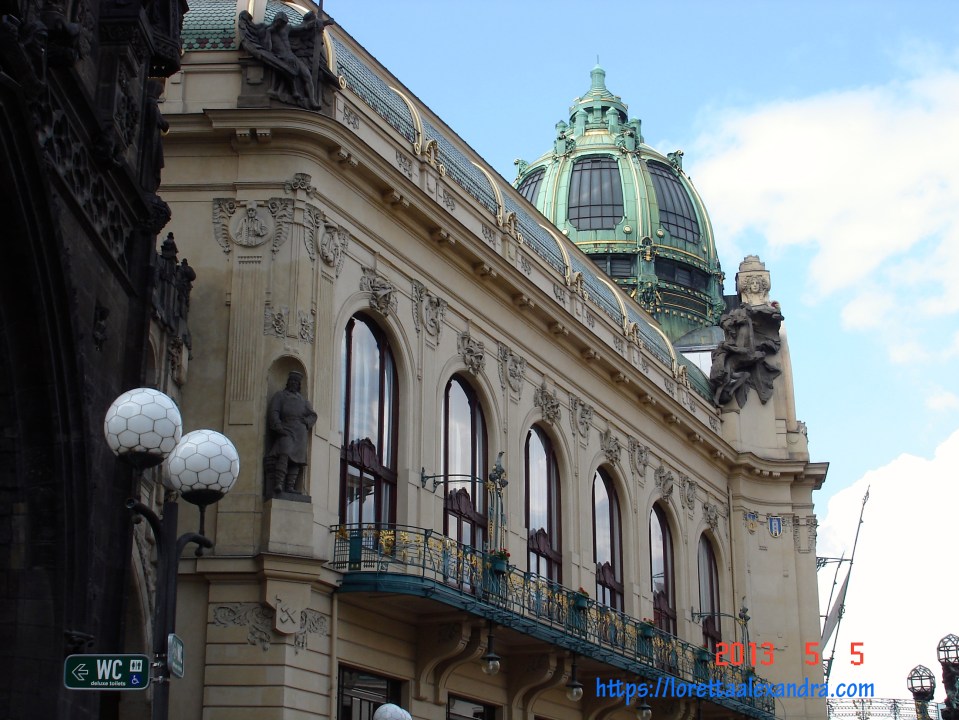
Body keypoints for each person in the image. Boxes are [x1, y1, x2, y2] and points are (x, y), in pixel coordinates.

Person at [266, 371, 317, 494]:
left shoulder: (303, 401)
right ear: (288, 382)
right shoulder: (280, 396)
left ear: (299, 385)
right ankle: (278, 483)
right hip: (286, 429)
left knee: (297, 460)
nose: (294, 383)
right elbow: (274, 412)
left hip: (300, 432)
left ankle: (290, 486)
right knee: (284, 454)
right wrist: (278, 426)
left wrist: (306, 422)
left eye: (296, 382)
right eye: (292, 381)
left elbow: (313, 415)